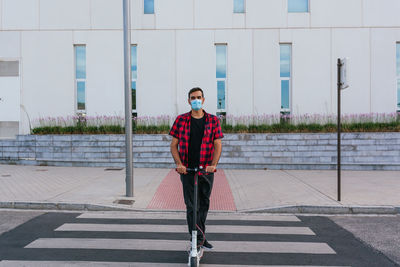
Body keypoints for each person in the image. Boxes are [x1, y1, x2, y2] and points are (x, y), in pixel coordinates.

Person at [169, 87, 223, 250]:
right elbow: (173, 145)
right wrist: (179, 164)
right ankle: (197, 239)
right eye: (193, 98)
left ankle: (200, 238)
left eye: (199, 97)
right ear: (188, 101)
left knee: (204, 204)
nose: (196, 100)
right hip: (188, 171)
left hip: (206, 171)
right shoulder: (181, 120)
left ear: (203, 100)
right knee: (192, 206)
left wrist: (213, 165)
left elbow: (217, 144)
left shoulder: (213, 120)